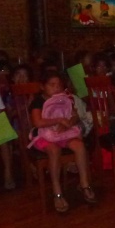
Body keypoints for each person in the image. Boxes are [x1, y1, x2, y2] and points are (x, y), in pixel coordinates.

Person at [29, 71, 96, 213]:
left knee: (79, 146)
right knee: (54, 150)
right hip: (44, 136)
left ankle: (84, 184)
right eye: (52, 85)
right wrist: (59, 120)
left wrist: (68, 123)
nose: (56, 88)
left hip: (63, 134)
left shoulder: (65, 99)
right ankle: (57, 192)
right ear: (42, 86)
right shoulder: (38, 102)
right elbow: (38, 122)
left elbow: (75, 116)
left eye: (59, 85)